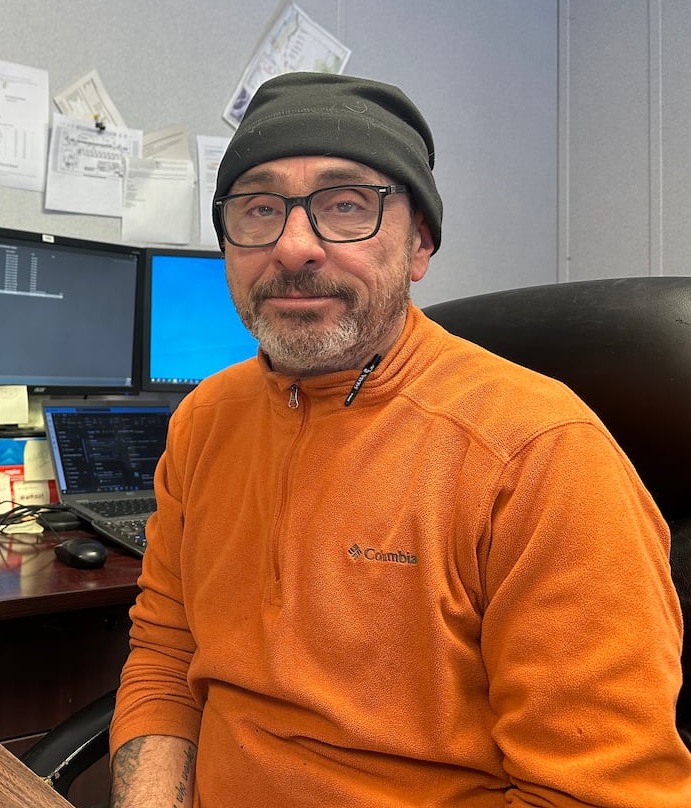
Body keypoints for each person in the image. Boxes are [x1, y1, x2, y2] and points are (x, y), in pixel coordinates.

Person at [109, 71, 691, 806]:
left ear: (418, 246)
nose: (294, 246)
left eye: (346, 206)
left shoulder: (540, 455)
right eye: (258, 208)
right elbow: (165, 659)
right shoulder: (203, 422)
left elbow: (594, 795)